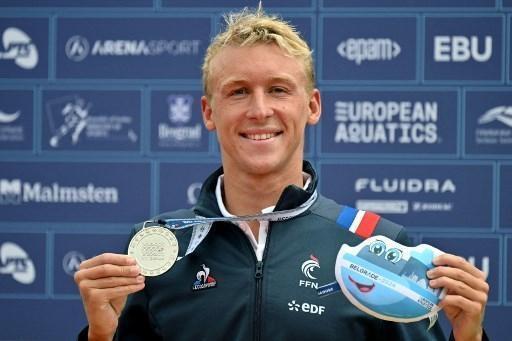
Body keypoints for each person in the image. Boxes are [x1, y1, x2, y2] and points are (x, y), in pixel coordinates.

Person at [75, 7, 489, 341]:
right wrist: (101, 335)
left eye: (278, 89)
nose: (259, 110)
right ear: (207, 112)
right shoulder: (156, 249)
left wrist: (469, 337)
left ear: (312, 107)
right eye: (238, 91)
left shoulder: (378, 246)